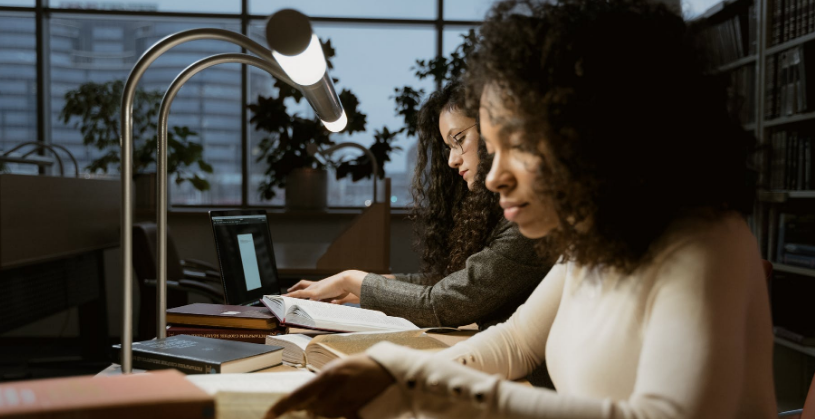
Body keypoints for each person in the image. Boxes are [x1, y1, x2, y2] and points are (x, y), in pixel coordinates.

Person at [267, 0, 778, 418]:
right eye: (491, 146)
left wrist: (414, 383)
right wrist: (390, 369)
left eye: (517, 143)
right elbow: (514, 343)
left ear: (598, 127)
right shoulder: (589, 241)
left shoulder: (706, 241)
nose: (493, 175)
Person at [285, 81, 550, 330]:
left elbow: (444, 303)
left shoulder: (529, 224)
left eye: (459, 139)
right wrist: (363, 284)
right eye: (449, 147)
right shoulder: (508, 215)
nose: (452, 160)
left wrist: (352, 280)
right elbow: (449, 284)